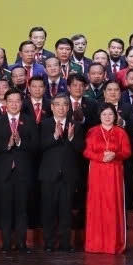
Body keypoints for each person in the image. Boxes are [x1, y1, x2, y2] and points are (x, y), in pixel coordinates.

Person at [0, 90, 37, 252]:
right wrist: (7, 145)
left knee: (22, 209)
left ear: (21, 103)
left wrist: (20, 142)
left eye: (17, 101)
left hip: (23, 171)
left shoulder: (29, 121)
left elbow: (36, 146)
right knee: (5, 208)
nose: (14, 104)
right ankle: (6, 243)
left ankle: (21, 243)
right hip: (4, 172)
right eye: (11, 101)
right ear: (5, 103)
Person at [82, 103, 131, 254]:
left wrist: (115, 155)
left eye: (110, 114)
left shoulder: (121, 132)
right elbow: (87, 152)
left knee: (112, 205)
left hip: (114, 172)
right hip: (97, 172)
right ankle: (95, 244)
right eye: (104, 114)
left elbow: (127, 152)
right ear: (100, 116)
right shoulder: (92, 131)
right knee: (96, 206)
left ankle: (113, 244)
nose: (107, 117)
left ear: (115, 116)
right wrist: (101, 157)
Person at [38, 95, 85, 252]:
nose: (61, 107)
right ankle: (49, 243)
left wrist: (71, 138)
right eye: (57, 104)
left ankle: (65, 243)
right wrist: (55, 136)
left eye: (64, 105)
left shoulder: (76, 125)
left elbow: (81, 149)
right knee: (48, 210)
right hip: (48, 174)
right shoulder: (44, 124)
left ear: (68, 107)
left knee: (66, 211)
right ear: (52, 107)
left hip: (68, 175)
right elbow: (39, 146)